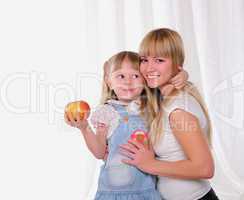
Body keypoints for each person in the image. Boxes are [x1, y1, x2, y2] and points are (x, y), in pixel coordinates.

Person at [64, 50, 188, 200]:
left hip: (146, 190)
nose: (128, 81)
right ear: (109, 81)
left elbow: (172, 89)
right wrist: (84, 128)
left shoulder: (152, 107)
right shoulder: (106, 112)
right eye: (120, 76)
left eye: (135, 76)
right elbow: (99, 152)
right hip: (112, 192)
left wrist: (182, 76)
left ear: (144, 80)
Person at [120, 28, 220, 200]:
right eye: (144, 60)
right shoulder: (164, 98)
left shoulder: (178, 111)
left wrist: (149, 164)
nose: (149, 67)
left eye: (159, 60)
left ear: (177, 63)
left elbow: (205, 168)